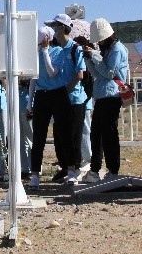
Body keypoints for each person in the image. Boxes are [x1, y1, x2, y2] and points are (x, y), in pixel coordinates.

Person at [81, 18, 129, 183]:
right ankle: (95, 169)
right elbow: (97, 74)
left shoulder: (117, 50)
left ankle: (113, 170)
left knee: (109, 135)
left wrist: (94, 55)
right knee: (96, 135)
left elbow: (109, 73)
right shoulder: (106, 51)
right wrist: (88, 59)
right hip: (101, 96)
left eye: (100, 40)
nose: (98, 43)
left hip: (112, 96)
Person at [28, 25, 70, 190]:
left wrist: (45, 53)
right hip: (42, 95)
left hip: (57, 94)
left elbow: (52, 72)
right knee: (38, 137)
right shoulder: (35, 55)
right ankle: (35, 174)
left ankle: (71, 170)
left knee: (62, 133)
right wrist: (29, 102)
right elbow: (33, 78)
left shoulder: (58, 52)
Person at [47, 13, 86, 185]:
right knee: (60, 136)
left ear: (62, 27)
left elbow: (80, 74)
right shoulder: (57, 50)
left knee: (73, 136)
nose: (53, 30)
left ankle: (75, 169)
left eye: (55, 26)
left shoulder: (75, 48)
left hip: (74, 99)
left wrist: (65, 92)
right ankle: (66, 167)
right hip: (60, 99)